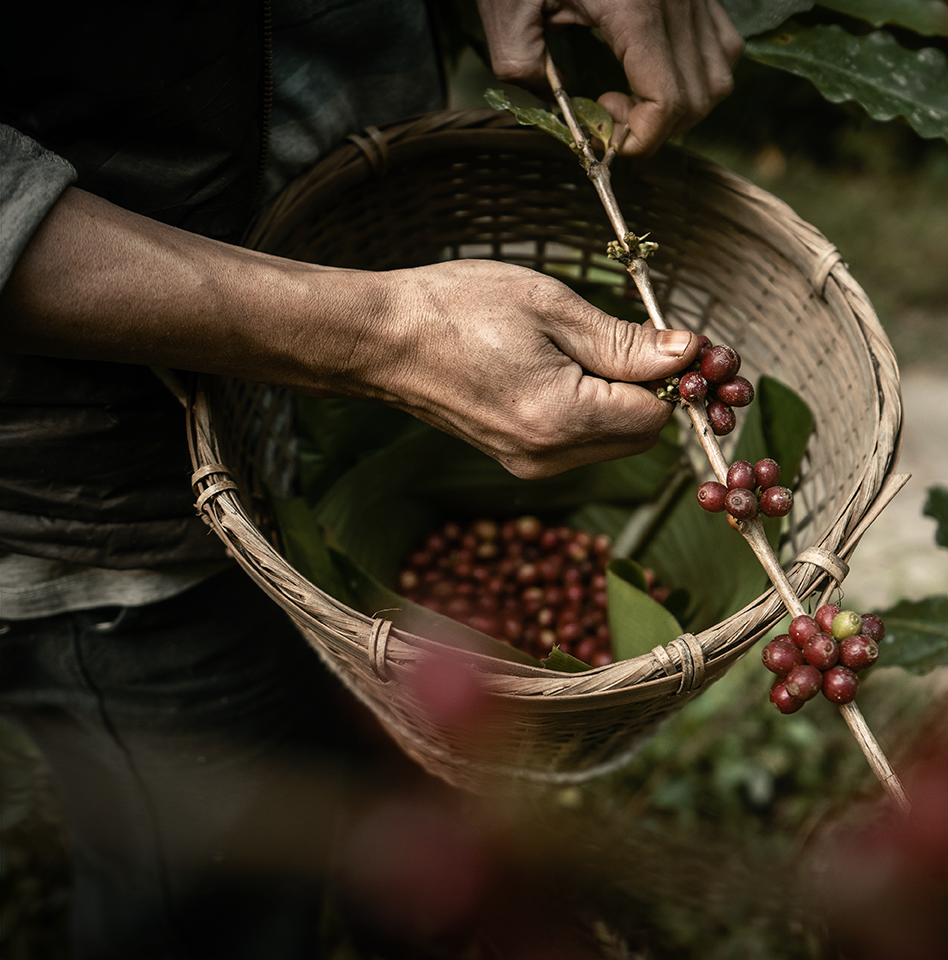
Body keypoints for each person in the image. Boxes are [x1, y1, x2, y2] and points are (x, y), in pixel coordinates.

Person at [0, 1, 742, 956]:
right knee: (208, 906)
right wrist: (383, 336)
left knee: (377, 809)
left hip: (331, 393)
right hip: (94, 505)